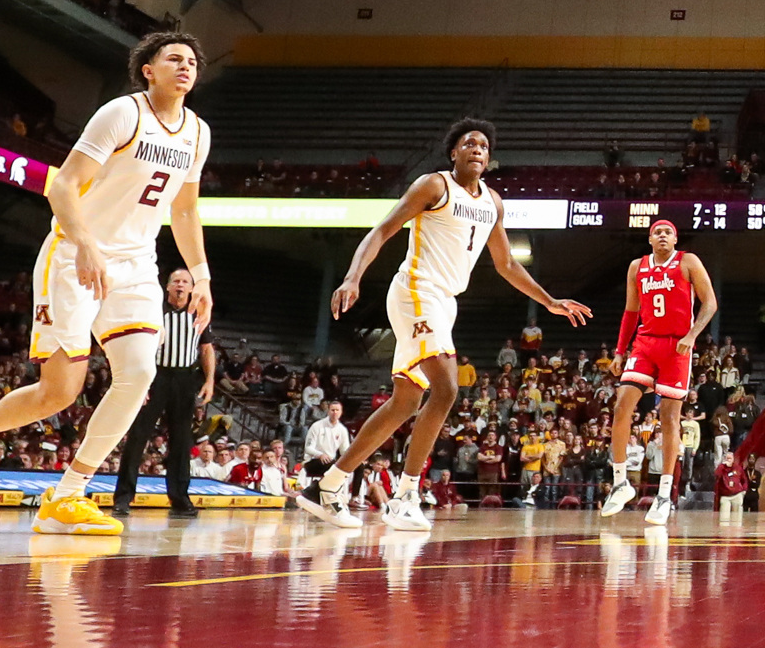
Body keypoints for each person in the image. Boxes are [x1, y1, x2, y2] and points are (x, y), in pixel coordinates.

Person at [0, 31, 215, 535]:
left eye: (192, 61)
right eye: (174, 58)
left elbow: (184, 208)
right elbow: (63, 185)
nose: (186, 66)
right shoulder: (123, 113)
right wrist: (88, 243)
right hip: (75, 253)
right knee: (60, 393)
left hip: (137, 264)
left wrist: (201, 275)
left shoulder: (199, 133)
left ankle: (66, 496)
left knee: (138, 374)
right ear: (148, 70)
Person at [297, 120, 593, 531]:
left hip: (443, 302)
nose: (477, 149)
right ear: (453, 153)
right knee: (448, 388)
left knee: (405, 402)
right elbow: (383, 228)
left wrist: (550, 301)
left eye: (484, 146)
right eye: (468, 143)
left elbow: (506, 264)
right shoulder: (433, 185)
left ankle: (326, 486)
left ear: (489, 159)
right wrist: (352, 276)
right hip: (416, 290)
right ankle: (405, 496)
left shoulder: (493, 201)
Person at [603, 218, 718, 525]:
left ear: (676, 239)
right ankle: (620, 482)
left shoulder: (688, 261)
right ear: (650, 239)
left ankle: (665, 494)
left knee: (669, 417)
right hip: (645, 343)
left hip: (677, 346)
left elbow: (710, 304)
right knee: (621, 406)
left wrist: (692, 336)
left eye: (668, 231)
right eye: (658, 232)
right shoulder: (636, 266)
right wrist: (618, 351)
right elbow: (631, 311)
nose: (663, 235)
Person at [107, 268, 218, 518]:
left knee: (181, 441)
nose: (180, 285)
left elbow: (207, 349)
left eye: (185, 282)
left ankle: (179, 498)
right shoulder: (154, 312)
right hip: (155, 376)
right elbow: (138, 345)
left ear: (192, 288)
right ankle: (123, 498)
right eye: (176, 281)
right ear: (167, 287)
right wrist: (140, 382)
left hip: (184, 378)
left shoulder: (200, 313)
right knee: (138, 436)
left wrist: (210, 380)